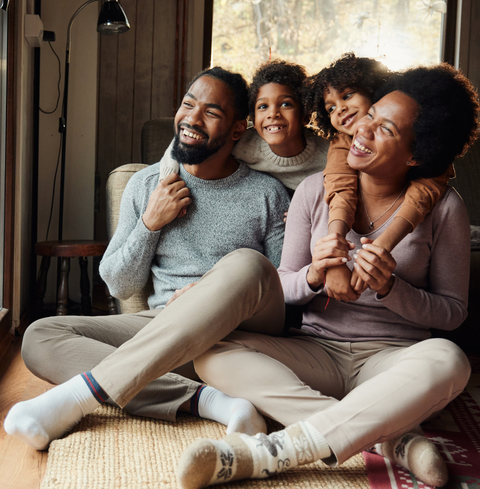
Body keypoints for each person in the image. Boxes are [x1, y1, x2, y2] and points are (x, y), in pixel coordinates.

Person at [176, 63, 480, 489]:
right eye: (370, 115)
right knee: (210, 351)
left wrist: (392, 289)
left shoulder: (446, 208)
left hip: (391, 359)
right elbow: (280, 284)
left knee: (450, 361)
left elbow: (452, 313)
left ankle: (278, 451)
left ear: (416, 155)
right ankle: (391, 440)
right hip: (314, 351)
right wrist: (314, 275)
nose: (362, 130)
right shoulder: (314, 191)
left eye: (385, 130)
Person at [4, 67, 291, 450]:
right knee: (41, 335)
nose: (191, 118)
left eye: (211, 112)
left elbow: (283, 289)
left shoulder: (266, 193)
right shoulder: (147, 185)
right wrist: (150, 223)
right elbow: (119, 284)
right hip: (161, 329)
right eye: (187, 105)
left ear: (238, 129)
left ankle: (97, 390)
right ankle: (211, 401)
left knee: (245, 266)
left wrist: (208, 293)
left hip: (236, 334)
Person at [307, 53, 455, 301]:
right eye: (330, 107)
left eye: (347, 95)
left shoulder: (435, 172)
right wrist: (331, 258)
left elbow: (425, 191)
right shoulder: (339, 146)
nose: (340, 108)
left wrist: (383, 248)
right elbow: (340, 187)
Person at [159, 59, 328, 198]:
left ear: (305, 115)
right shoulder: (245, 142)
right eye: (263, 106)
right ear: (253, 120)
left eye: (286, 104)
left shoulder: (328, 155)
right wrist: (166, 179)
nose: (273, 114)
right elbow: (188, 139)